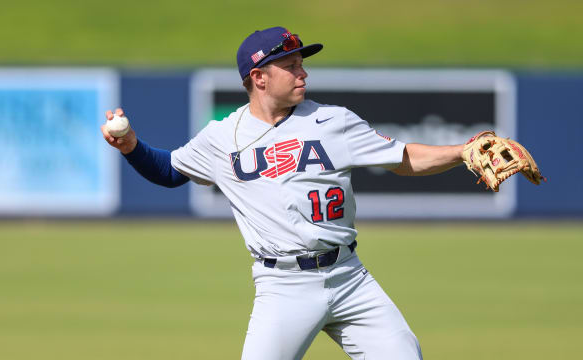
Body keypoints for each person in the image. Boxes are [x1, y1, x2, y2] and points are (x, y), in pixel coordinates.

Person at [102, 26, 464, 360]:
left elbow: (404, 157)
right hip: (283, 285)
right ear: (259, 78)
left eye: (301, 64)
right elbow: (168, 171)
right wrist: (131, 146)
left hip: (350, 277)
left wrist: (461, 152)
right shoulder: (222, 137)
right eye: (290, 66)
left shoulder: (333, 121)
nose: (302, 72)